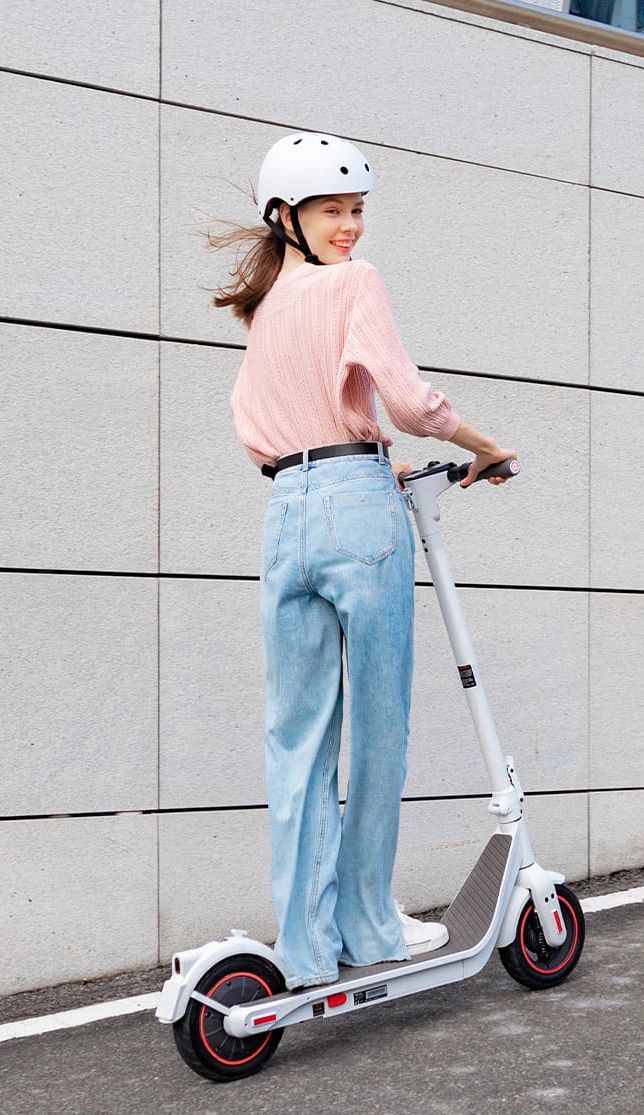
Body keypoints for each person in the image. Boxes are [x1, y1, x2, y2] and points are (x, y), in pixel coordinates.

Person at [213, 131, 516, 990]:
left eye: (356, 211)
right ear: (288, 217)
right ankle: (372, 926)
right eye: (332, 210)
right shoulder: (354, 284)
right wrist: (485, 444)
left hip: (286, 515)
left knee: (296, 737)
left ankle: (307, 947)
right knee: (379, 725)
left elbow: (265, 426)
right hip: (357, 510)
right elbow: (409, 397)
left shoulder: (265, 309)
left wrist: (364, 457)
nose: (349, 227)